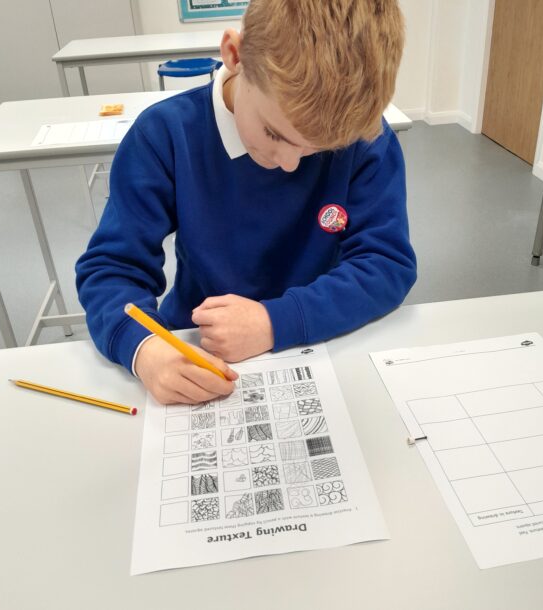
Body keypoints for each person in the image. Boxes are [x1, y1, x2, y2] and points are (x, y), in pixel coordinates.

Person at [76, 0, 416, 405]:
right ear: (235, 56)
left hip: (321, 343)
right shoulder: (165, 135)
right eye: (274, 133)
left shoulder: (364, 139)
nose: (290, 164)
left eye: (318, 149)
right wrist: (144, 350)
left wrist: (275, 322)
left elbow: (385, 263)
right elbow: (112, 269)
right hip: (197, 349)